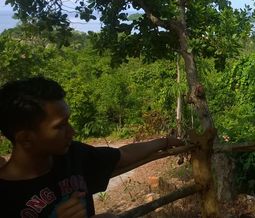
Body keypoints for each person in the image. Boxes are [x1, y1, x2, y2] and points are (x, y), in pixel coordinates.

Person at [0, 77, 184, 217]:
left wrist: (164, 142)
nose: (71, 132)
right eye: (60, 126)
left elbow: (122, 155)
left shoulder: (73, 155)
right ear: (25, 138)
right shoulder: (6, 195)